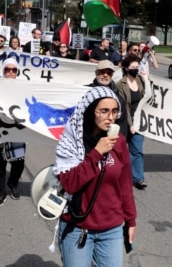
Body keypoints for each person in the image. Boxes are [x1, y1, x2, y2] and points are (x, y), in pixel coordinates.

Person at [54, 86, 137, 267]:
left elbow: (124, 184)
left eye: (115, 111)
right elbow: (70, 183)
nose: (110, 117)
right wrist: (97, 153)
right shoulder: (72, 141)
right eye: (104, 111)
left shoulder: (119, 142)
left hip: (111, 229)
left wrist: (131, 220)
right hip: (77, 227)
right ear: (91, 112)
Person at [0, 47, 25, 205]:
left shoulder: (23, 87)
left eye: (14, 70)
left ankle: (13, 183)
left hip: (16, 130)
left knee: (19, 162)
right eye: (8, 69)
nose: (10, 72)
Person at [117, 54, 152, 190]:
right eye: (133, 67)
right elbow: (124, 105)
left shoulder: (139, 81)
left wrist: (145, 79)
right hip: (124, 120)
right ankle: (118, 177)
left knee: (137, 150)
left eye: (137, 67)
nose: (136, 70)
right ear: (126, 68)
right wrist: (130, 125)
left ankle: (138, 178)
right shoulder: (121, 84)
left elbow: (147, 96)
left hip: (137, 119)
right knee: (120, 150)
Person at [87, 60, 128, 137]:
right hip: (88, 139)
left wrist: (119, 142)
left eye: (109, 73)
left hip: (110, 140)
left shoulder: (119, 99)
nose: (105, 75)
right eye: (102, 72)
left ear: (112, 75)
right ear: (96, 73)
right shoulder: (86, 92)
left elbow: (122, 124)